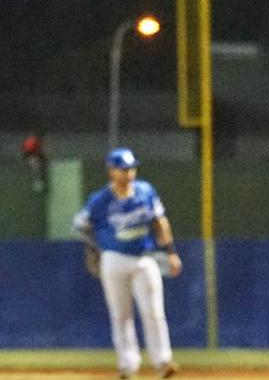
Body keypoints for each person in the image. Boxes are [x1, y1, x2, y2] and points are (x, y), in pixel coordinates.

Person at [73, 148, 181, 379]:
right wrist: (94, 246)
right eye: (122, 169)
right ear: (111, 171)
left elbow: (160, 221)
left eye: (131, 168)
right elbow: (79, 225)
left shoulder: (145, 191)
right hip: (114, 259)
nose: (128, 173)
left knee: (154, 311)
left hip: (144, 258)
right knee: (121, 314)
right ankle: (128, 366)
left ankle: (163, 362)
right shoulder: (100, 200)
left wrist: (171, 252)